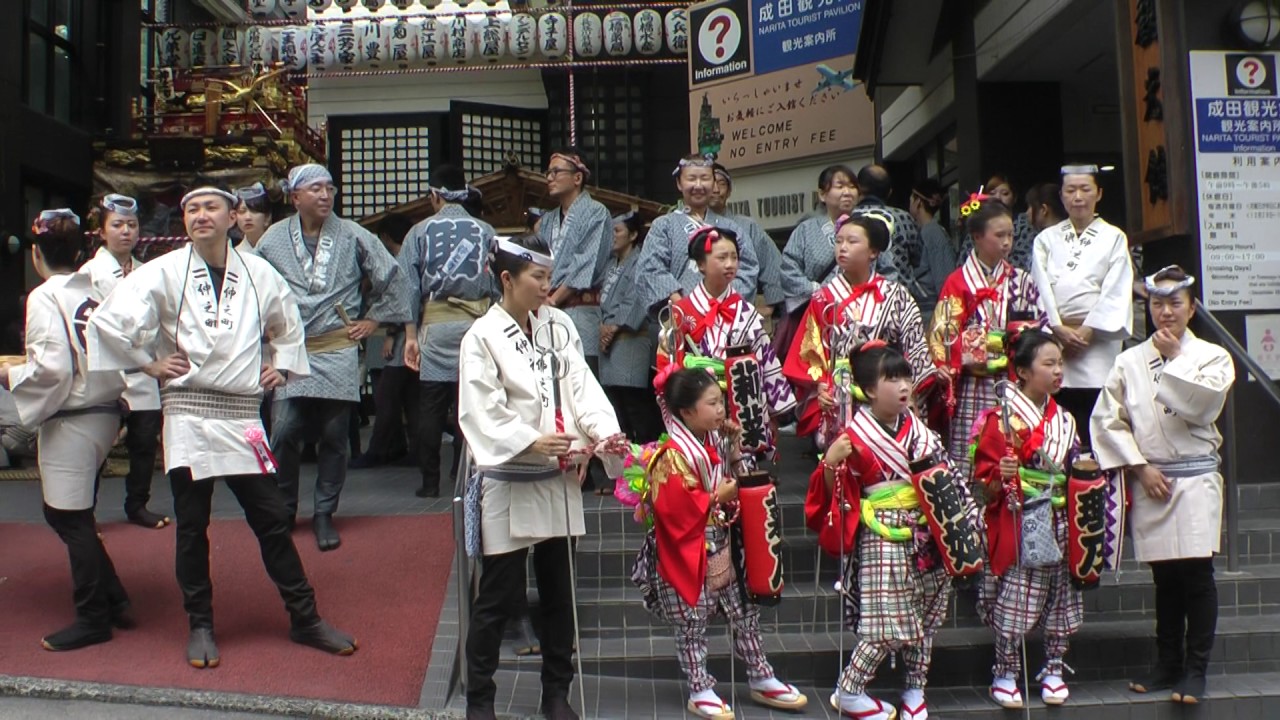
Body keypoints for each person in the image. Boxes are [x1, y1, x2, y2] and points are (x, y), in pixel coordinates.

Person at [86, 186, 357, 668]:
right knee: (192, 527)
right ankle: (201, 623)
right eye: (191, 209)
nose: (199, 216)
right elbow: (107, 321)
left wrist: (283, 365)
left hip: (242, 416)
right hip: (188, 414)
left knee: (272, 518)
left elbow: (288, 324)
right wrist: (147, 363)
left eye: (211, 207)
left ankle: (305, 616)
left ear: (234, 216)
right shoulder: (163, 271)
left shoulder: (258, 273)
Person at [457, 234, 624, 720]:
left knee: (559, 594)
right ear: (507, 279)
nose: (548, 288)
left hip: (560, 475)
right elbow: (480, 407)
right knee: (497, 598)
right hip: (509, 477)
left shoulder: (559, 324)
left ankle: (556, 693)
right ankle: (480, 702)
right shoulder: (481, 335)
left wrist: (605, 433)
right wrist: (529, 441)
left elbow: (582, 387)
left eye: (550, 278)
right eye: (539, 278)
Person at [1092, 265, 1234, 705]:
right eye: (1157, 304)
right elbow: (1107, 419)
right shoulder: (1128, 361)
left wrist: (1175, 359)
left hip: (1194, 478)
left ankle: (1196, 670)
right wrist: (1138, 467)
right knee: (1164, 578)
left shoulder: (1213, 355)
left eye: (1175, 304)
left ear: (1191, 308)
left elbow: (1202, 408)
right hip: (1151, 476)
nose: (1165, 312)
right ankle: (1167, 663)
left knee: (1196, 574)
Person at [633, 367, 808, 720]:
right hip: (687, 549)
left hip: (720, 542)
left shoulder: (712, 441)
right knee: (692, 622)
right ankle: (699, 687)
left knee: (744, 614)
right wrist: (715, 497)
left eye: (720, 401)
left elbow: (741, 480)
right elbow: (673, 512)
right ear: (686, 412)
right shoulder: (670, 455)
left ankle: (760, 675)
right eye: (712, 403)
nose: (720, 410)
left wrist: (734, 446)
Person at [255, 163, 411, 549]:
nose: (325, 195)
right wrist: (262, 341)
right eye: (315, 189)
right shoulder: (273, 239)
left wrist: (373, 319)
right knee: (285, 431)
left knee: (334, 434)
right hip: (292, 348)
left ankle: (324, 512)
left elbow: (393, 276)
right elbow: (253, 288)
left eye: (329, 188)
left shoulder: (354, 234)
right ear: (295, 198)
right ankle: (286, 507)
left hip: (337, 346)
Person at [808, 342, 961, 720]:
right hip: (881, 532)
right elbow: (832, 493)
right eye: (891, 379)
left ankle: (915, 689)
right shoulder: (854, 436)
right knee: (884, 623)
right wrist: (829, 464)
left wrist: (965, 528)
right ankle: (849, 689)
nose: (903, 385)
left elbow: (949, 481)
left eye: (906, 376)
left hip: (928, 531)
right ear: (870, 390)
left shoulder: (922, 434)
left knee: (928, 616)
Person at [2, 209, 131, 651]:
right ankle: (115, 598)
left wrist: (8, 377)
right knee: (74, 515)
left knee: (67, 517)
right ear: (80, 252)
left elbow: (52, 368)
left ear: (35, 254)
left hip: (75, 414)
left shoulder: (43, 295)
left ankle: (95, 615)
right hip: (105, 407)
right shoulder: (95, 290)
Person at [971, 331, 1083, 708]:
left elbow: (1076, 468)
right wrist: (999, 476)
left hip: (1060, 515)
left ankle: (1054, 665)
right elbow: (982, 486)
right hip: (1022, 515)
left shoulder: (1065, 420)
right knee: (1018, 594)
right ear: (1020, 371)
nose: (1057, 371)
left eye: (1059, 364)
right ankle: (1005, 671)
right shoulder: (999, 420)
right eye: (1048, 364)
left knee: (1061, 595)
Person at [783, 212, 942, 446]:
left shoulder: (896, 295)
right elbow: (810, 352)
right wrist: (821, 386)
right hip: (842, 400)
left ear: (874, 252)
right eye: (838, 242)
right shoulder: (823, 298)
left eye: (852, 241)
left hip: (888, 396)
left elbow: (915, 349)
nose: (842, 248)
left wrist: (909, 392)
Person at [928, 197, 1047, 481]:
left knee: (1013, 452)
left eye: (1010, 235)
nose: (1007, 242)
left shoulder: (1022, 280)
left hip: (1012, 379)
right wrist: (992, 343)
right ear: (977, 237)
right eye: (999, 235)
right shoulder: (957, 282)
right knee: (969, 455)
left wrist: (998, 343)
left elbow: (1035, 327)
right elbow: (943, 334)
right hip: (971, 381)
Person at [657, 226, 795, 465]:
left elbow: (765, 360)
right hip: (700, 404)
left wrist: (773, 414)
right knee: (703, 467)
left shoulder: (745, 311)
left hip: (741, 400)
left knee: (743, 466)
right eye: (721, 257)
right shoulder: (682, 313)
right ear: (701, 264)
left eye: (734, 257)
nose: (730, 264)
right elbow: (669, 367)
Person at [399, 166, 495, 498]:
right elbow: (497, 283)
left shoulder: (419, 232)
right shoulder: (485, 231)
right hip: (477, 324)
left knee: (431, 403)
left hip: (436, 326)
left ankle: (429, 482)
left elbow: (408, 287)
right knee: (470, 401)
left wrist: (410, 335)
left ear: (435, 195)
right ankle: (464, 472)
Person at [1030, 164, 1134, 447]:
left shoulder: (1114, 237)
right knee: (1058, 424)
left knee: (1099, 424)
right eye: (1070, 190)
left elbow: (1116, 290)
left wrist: (1088, 331)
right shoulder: (1045, 239)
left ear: (1098, 193)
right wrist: (1057, 328)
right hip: (1058, 341)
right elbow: (1040, 287)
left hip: (1097, 341)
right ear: (1061, 197)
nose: (1078, 196)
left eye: (1085, 189)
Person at [83, 194, 168, 529]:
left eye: (131, 225)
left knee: (145, 443)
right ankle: (84, 508)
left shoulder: (147, 271)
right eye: (117, 225)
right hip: (108, 369)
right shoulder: (90, 272)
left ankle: (138, 503)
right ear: (102, 232)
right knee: (98, 445)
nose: (125, 231)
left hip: (145, 368)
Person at [635, 155, 759, 311]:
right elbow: (651, 269)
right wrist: (683, 306)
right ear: (679, 183)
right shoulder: (664, 225)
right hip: (678, 315)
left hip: (723, 315)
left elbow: (748, 269)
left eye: (705, 178)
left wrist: (719, 303)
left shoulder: (732, 229)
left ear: (713, 183)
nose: (698, 185)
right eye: (691, 179)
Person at [537, 149, 614, 374]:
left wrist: (552, 301)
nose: (549, 177)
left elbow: (585, 264)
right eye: (548, 172)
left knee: (581, 381)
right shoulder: (547, 220)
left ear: (577, 177)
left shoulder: (596, 212)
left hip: (580, 310)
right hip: (545, 307)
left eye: (556, 171)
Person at [353, 213, 419, 468]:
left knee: (386, 397)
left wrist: (391, 333)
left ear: (386, 237)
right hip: (409, 333)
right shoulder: (413, 255)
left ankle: (379, 449)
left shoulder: (397, 261)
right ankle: (411, 448)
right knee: (411, 397)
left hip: (397, 335)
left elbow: (402, 299)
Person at [600, 211, 662, 445]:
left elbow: (637, 298)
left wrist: (614, 326)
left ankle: (647, 461)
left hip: (631, 339)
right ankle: (626, 470)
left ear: (633, 234)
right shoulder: (610, 264)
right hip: (610, 343)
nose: (612, 236)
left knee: (637, 406)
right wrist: (603, 326)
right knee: (618, 409)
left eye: (617, 231)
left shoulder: (640, 261)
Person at [710, 164, 786, 316]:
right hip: (697, 310)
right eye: (711, 183)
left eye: (721, 184)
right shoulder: (688, 225)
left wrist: (771, 305)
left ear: (729, 190)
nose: (716, 189)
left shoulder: (746, 225)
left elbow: (771, 262)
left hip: (740, 310)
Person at [957, 174, 1037, 271]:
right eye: (992, 193)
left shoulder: (1025, 225)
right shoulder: (978, 224)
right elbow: (963, 261)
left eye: (1005, 193)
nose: (998, 197)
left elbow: (1023, 261)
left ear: (1014, 198)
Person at [907, 179, 958, 319]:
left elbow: (944, 276)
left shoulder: (933, 232)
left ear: (918, 203)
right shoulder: (926, 230)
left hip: (932, 310)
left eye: (911, 199)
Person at [234, 182, 273, 255]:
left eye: (254, 211)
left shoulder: (278, 247)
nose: (248, 217)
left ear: (267, 217)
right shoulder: (235, 254)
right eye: (242, 211)